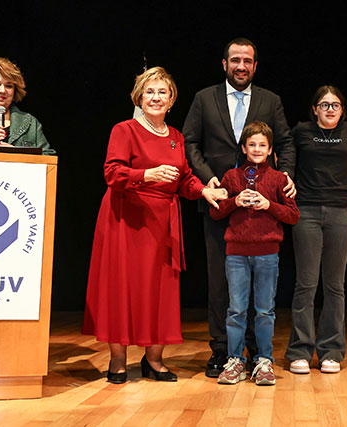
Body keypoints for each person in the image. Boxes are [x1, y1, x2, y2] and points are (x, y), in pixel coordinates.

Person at [82, 66, 227, 384]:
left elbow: (183, 178)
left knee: (159, 290)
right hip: (126, 220)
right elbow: (112, 173)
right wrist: (145, 175)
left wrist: (204, 190)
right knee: (122, 287)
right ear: (139, 97)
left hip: (162, 224)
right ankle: (118, 360)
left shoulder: (176, 137)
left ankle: (154, 360)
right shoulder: (125, 130)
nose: (156, 97)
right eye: (150, 92)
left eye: (163, 92)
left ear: (172, 100)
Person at [183, 37, 296, 377]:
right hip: (219, 200)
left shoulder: (270, 100)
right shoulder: (204, 98)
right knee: (220, 282)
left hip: (261, 209)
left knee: (259, 288)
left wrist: (285, 175)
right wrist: (208, 180)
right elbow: (190, 142)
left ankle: (256, 352)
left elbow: (286, 141)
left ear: (255, 66)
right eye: (235, 60)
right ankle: (223, 351)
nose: (241, 66)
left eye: (247, 61)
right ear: (224, 64)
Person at [285, 85, 347, 374]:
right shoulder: (301, 131)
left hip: (341, 212)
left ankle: (331, 352)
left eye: (335, 105)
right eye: (324, 105)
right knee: (306, 284)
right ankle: (300, 351)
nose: (330, 109)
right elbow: (282, 154)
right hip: (307, 212)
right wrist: (286, 178)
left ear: (342, 109)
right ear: (314, 109)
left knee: (335, 285)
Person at [210, 121, 299, 386]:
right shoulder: (231, 177)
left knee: (264, 311)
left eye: (262, 145)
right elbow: (215, 212)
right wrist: (234, 202)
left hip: (267, 254)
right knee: (236, 310)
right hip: (236, 254)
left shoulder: (279, 179)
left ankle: (263, 361)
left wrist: (269, 205)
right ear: (243, 148)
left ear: (271, 150)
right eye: (252, 145)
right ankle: (235, 361)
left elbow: (293, 215)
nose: (257, 149)